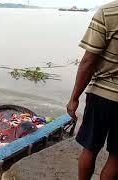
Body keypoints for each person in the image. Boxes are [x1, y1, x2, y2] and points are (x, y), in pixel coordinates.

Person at [67, 1, 118, 180]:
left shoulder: (108, 12)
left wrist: (74, 98)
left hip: (101, 95)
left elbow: (88, 62)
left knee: (90, 148)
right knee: (116, 158)